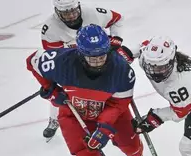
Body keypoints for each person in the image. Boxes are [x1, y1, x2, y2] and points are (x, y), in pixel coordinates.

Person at [26, 24, 150, 156]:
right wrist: (50, 88)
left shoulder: (122, 71)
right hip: (74, 114)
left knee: (129, 142)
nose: (97, 61)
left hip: (109, 111)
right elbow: (31, 61)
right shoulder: (61, 61)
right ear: (80, 52)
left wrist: (104, 128)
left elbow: (119, 105)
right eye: (91, 57)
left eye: (101, 55)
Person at [39, 0, 131, 139]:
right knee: (62, 94)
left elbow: (117, 19)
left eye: (74, 11)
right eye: (66, 13)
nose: (71, 16)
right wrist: (52, 85)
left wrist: (116, 40)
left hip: (102, 59)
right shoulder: (51, 29)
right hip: (74, 65)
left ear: (79, 6)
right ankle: (54, 119)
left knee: (114, 91)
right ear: (57, 11)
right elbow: (54, 58)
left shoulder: (93, 13)